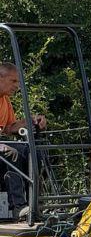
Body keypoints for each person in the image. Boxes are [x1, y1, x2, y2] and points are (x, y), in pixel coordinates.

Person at [0, 62, 48, 214]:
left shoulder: (5, 101)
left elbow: (8, 128)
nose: (17, 86)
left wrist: (31, 121)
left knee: (32, 151)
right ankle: (18, 206)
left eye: (18, 82)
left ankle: (35, 204)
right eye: (13, 81)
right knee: (10, 152)